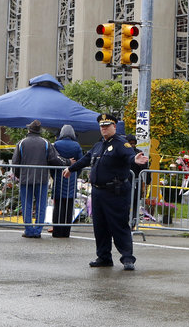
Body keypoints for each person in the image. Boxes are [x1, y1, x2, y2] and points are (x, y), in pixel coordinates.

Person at [63, 113, 149, 270]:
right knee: (100, 227)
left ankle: (127, 258)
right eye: (102, 126)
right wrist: (71, 168)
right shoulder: (98, 145)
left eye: (107, 126)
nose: (104, 129)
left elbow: (130, 157)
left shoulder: (121, 144)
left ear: (114, 127)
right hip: (98, 192)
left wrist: (135, 160)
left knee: (119, 225)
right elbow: (86, 159)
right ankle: (104, 257)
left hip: (115, 192)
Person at [11, 120, 65, 238]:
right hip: (42, 179)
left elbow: (15, 162)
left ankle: (29, 230)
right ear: (39, 131)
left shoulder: (21, 143)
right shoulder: (46, 143)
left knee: (27, 205)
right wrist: (67, 163)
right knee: (41, 205)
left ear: (29, 130)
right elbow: (53, 159)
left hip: (25, 179)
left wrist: (20, 175)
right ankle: (38, 231)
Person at [51, 125, 83, 238]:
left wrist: (54, 175)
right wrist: (75, 173)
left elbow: (52, 160)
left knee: (58, 206)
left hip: (59, 176)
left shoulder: (56, 145)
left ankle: (57, 231)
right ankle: (66, 232)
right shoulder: (77, 145)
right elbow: (81, 162)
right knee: (69, 207)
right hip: (71, 177)